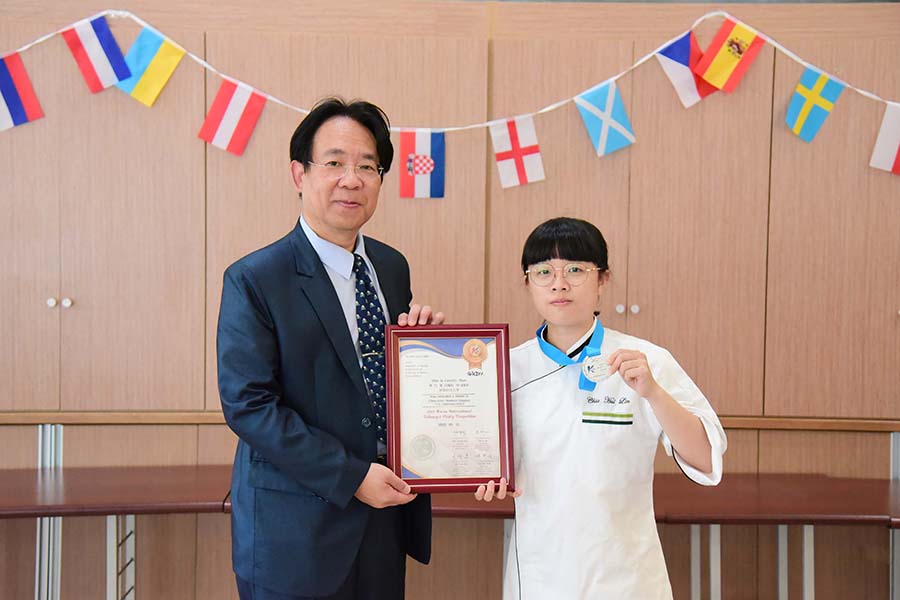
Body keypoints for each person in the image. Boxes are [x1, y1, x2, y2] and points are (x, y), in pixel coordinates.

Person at [217, 97, 443, 600]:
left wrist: (425, 352)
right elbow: (249, 406)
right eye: (335, 163)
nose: (352, 180)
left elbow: (378, 382)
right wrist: (351, 476)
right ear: (299, 173)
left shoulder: (391, 267)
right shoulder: (255, 278)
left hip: (385, 518)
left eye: (368, 167)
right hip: (295, 532)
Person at [475, 217, 726, 599]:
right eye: (543, 272)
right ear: (528, 284)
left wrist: (654, 393)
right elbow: (485, 460)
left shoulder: (646, 361)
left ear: (603, 280)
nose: (559, 283)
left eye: (575, 269)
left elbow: (707, 459)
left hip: (627, 577)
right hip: (542, 573)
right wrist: (486, 478)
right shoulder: (506, 369)